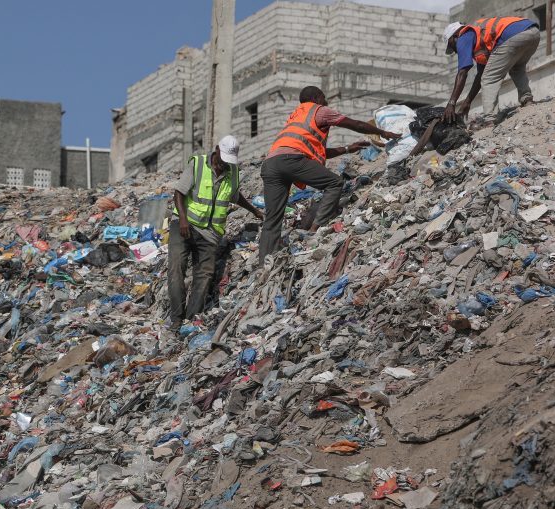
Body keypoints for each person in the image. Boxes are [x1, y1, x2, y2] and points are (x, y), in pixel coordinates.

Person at [258, 86, 401, 261]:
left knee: (272, 218)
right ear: (317, 98)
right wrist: (382, 132)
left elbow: (317, 151)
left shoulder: (296, 116)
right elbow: (354, 124)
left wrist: (348, 148)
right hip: (291, 161)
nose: (326, 102)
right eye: (324, 98)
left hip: (270, 164)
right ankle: (315, 229)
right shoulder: (319, 110)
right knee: (334, 183)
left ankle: (263, 263)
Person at [168, 135, 264, 329]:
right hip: (185, 225)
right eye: (222, 160)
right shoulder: (198, 164)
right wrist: (184, 220)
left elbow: (235, 197)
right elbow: (179, 192)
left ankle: (191, 320)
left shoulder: (232, 172)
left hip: (210, 233)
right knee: (176, 268)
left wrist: (255, 211)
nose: (224, 165)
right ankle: (177, 319)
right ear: (216, 150)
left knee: (204, 275)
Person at [442, 16, 540, 125]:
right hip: (533, 32)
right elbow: (480, 75)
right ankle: (527, 100)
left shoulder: (464, 36)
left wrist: (451, 103)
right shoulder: (479, 39)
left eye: (452, 46)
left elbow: (462, 73)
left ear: (455, 35)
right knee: (516, 68)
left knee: (488, 79)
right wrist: (467, 102)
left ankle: (490, 118)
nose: (455, 51)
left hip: (514, 36)